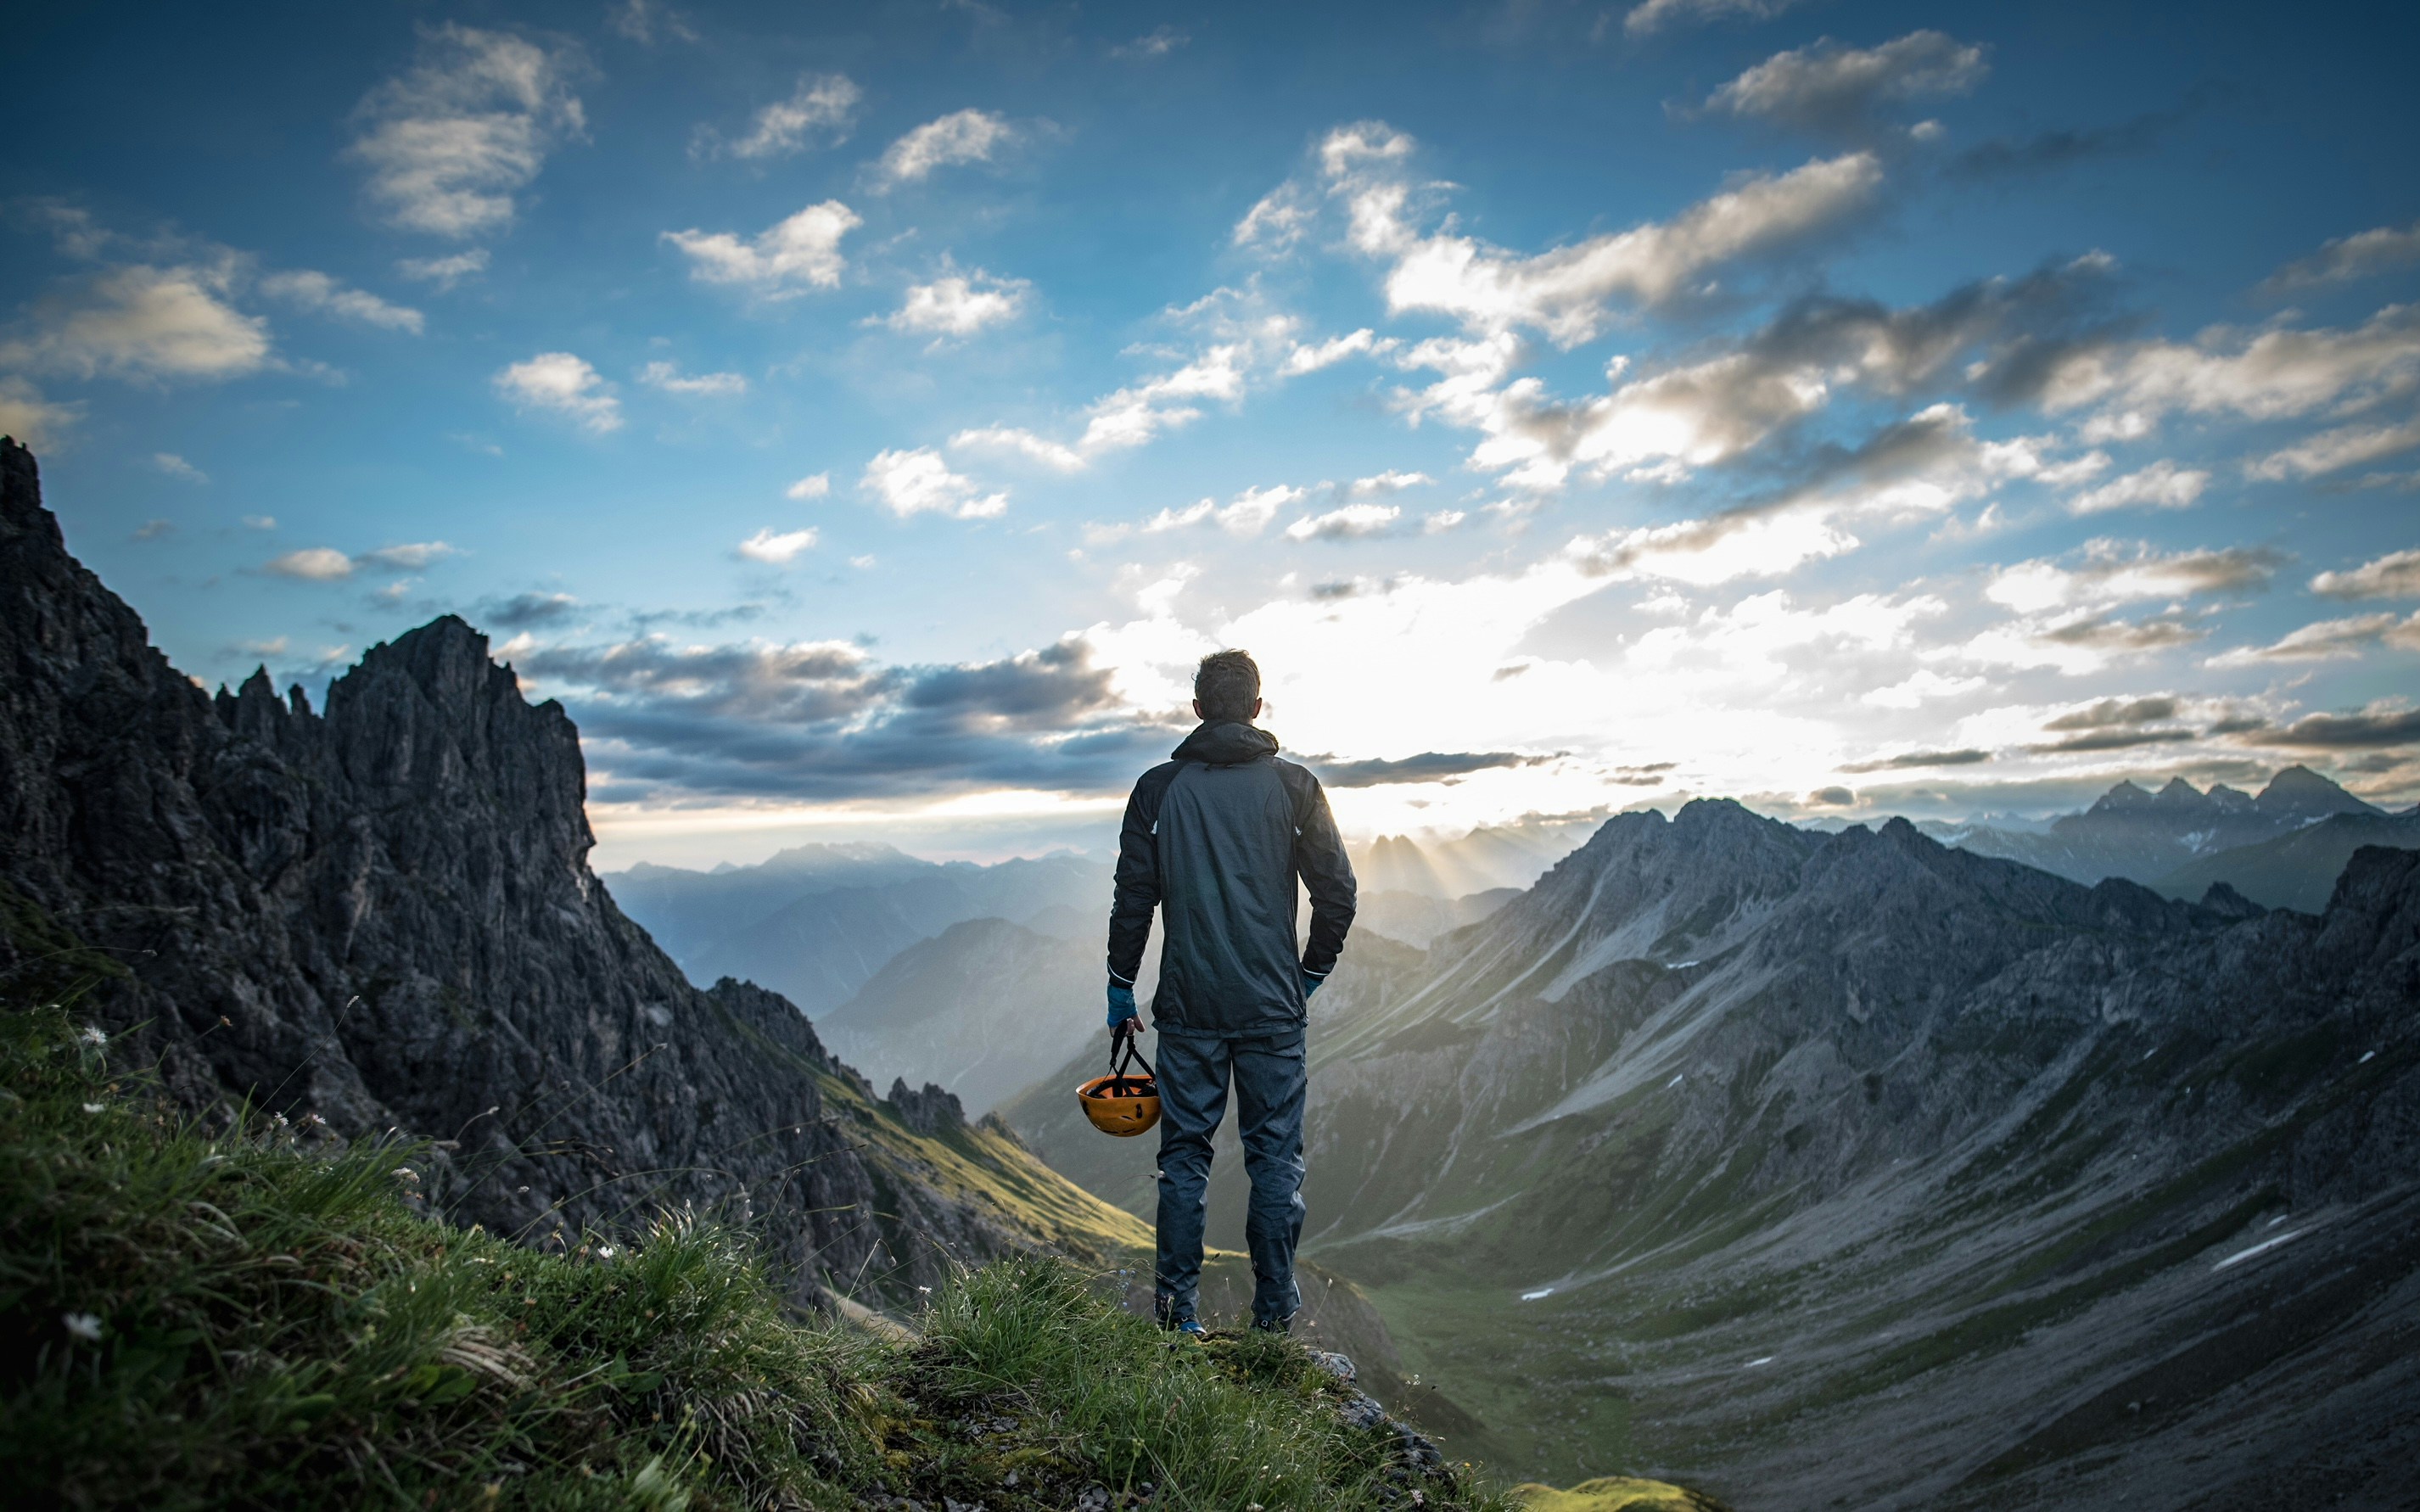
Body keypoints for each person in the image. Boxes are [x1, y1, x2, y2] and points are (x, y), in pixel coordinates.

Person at [1106, 649, 1356, 1336]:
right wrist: (1309, 972)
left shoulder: (1157, 790)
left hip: (1188, 1007)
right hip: (1273, 1008)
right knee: (1275, 1157)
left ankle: (1175, 1317)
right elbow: (1337, 893)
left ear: (1195, 711)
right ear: (1256, 708)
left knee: (1184, 1158)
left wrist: (1121, 988)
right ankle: (1274, 1316)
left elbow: (1136, 898)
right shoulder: (1296, 788)